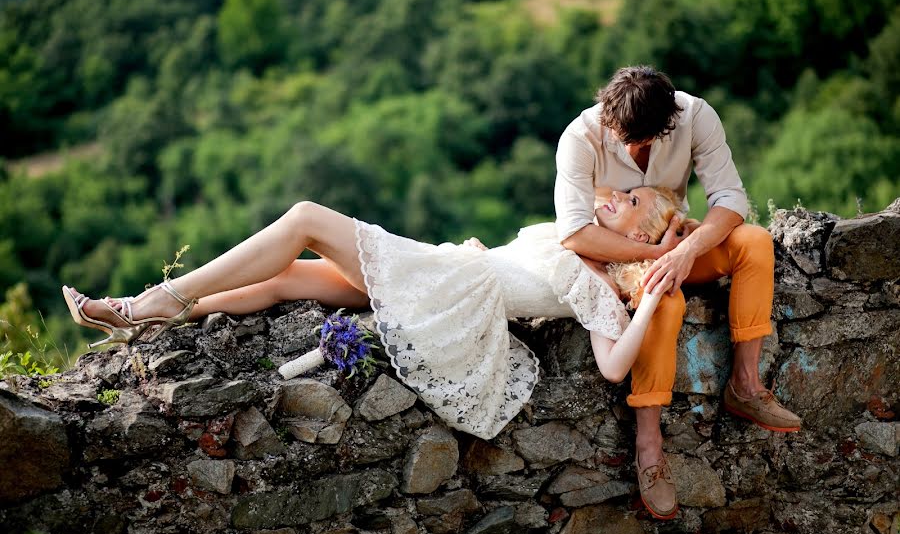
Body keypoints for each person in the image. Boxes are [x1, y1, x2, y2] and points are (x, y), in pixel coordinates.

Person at [63, 186, 680, 441]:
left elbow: (611, 367)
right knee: (287, 279)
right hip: (444, 276)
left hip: (443, 294)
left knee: (306, 218)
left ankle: (151, 301)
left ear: (641, 239)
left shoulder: (600, 287)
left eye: (630, 204)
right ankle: (158, 316)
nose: (613, 200)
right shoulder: (569, 237)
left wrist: (650, 295)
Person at [555, 65, 801, 520]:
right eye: (619, 136)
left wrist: (684, 251)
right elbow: (573, 233)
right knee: (663, 301)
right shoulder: (579, 137)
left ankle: (745, 386)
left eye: (638, 141)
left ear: (665, 125)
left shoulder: (696, 116)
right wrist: (652, 256)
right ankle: (649, 448)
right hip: (620, 260)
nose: (627, 148)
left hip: (682, 241)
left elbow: (731, 200)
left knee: (755, 242)